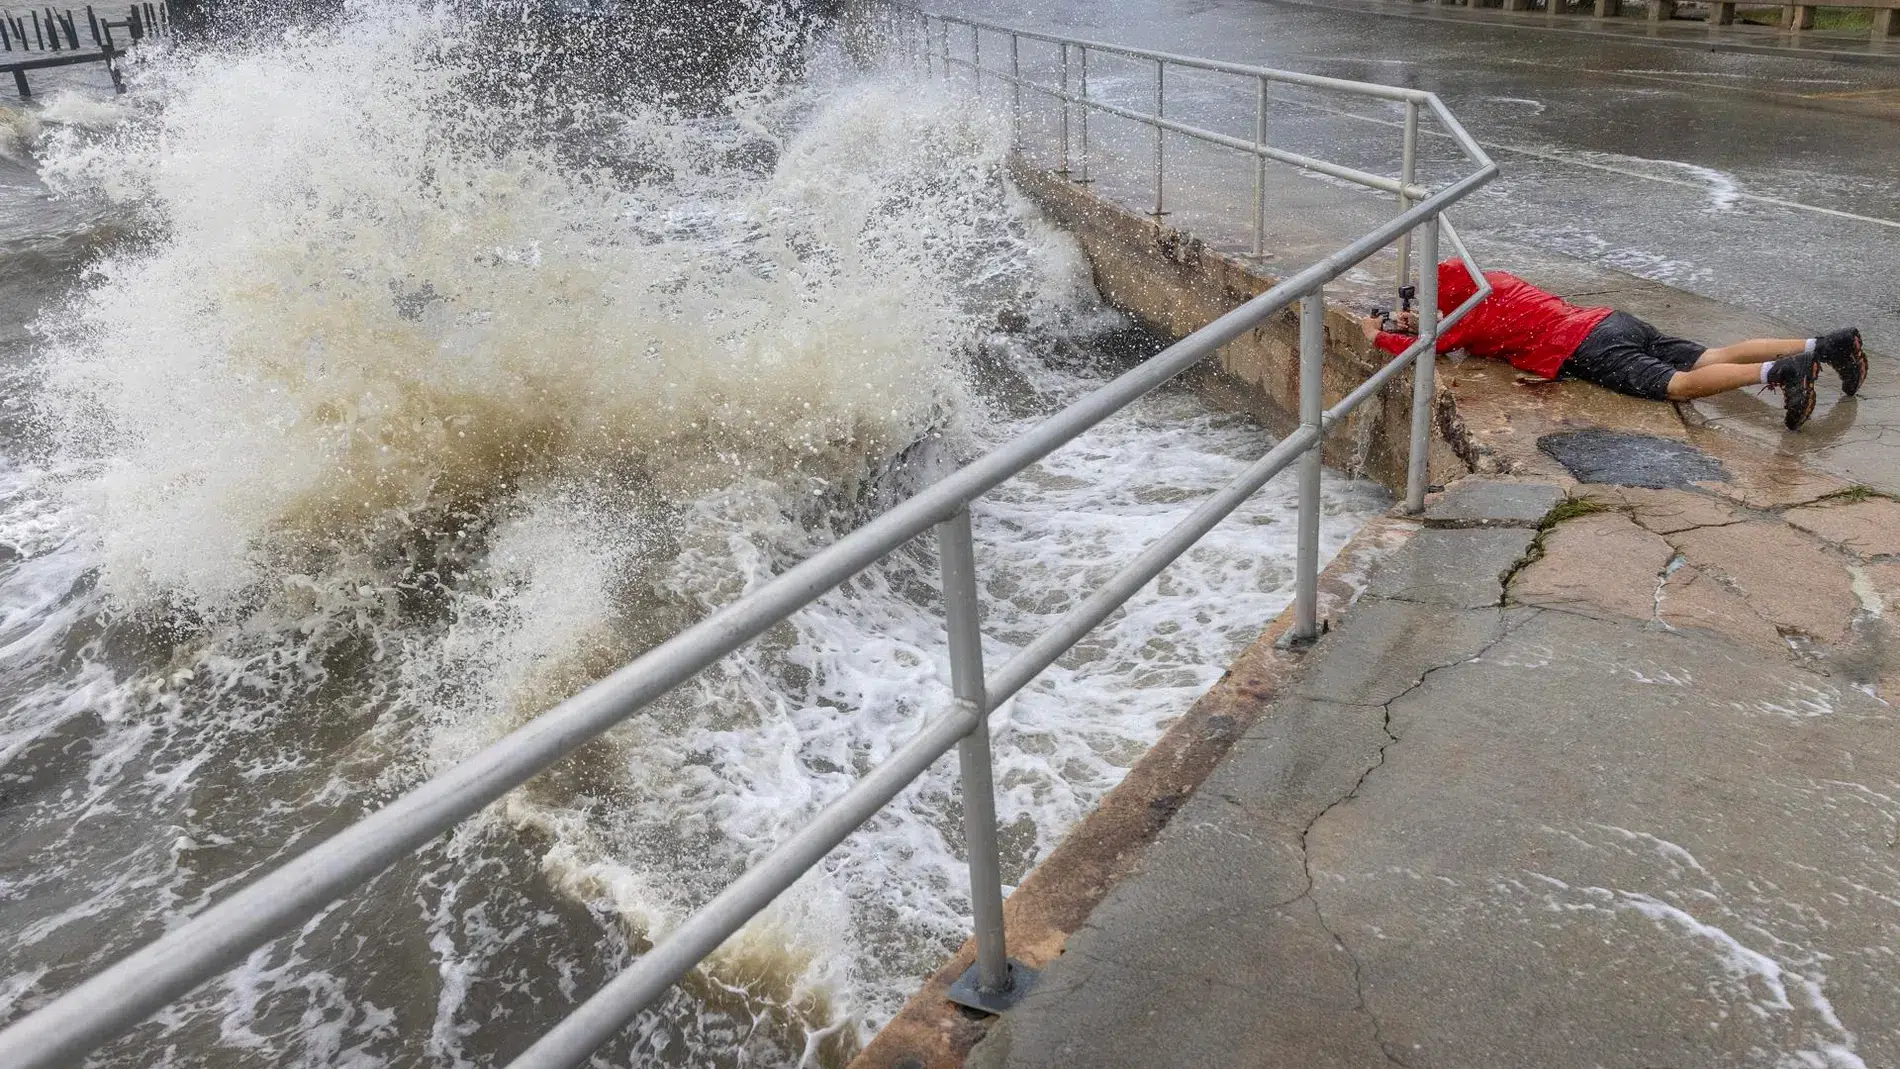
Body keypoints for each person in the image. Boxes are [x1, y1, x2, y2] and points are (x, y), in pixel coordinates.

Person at [1360, 260, 1865, 431]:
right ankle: (1827, 344)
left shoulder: (1466, 318)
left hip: (1583, 347)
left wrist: (1378, 333)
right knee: (1712, 354)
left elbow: (1429, 346)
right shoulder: (1495, 283)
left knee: (1679, 386)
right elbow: (1467, 318)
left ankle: (1780, 374)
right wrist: (1432, 315)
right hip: (1609, 320)